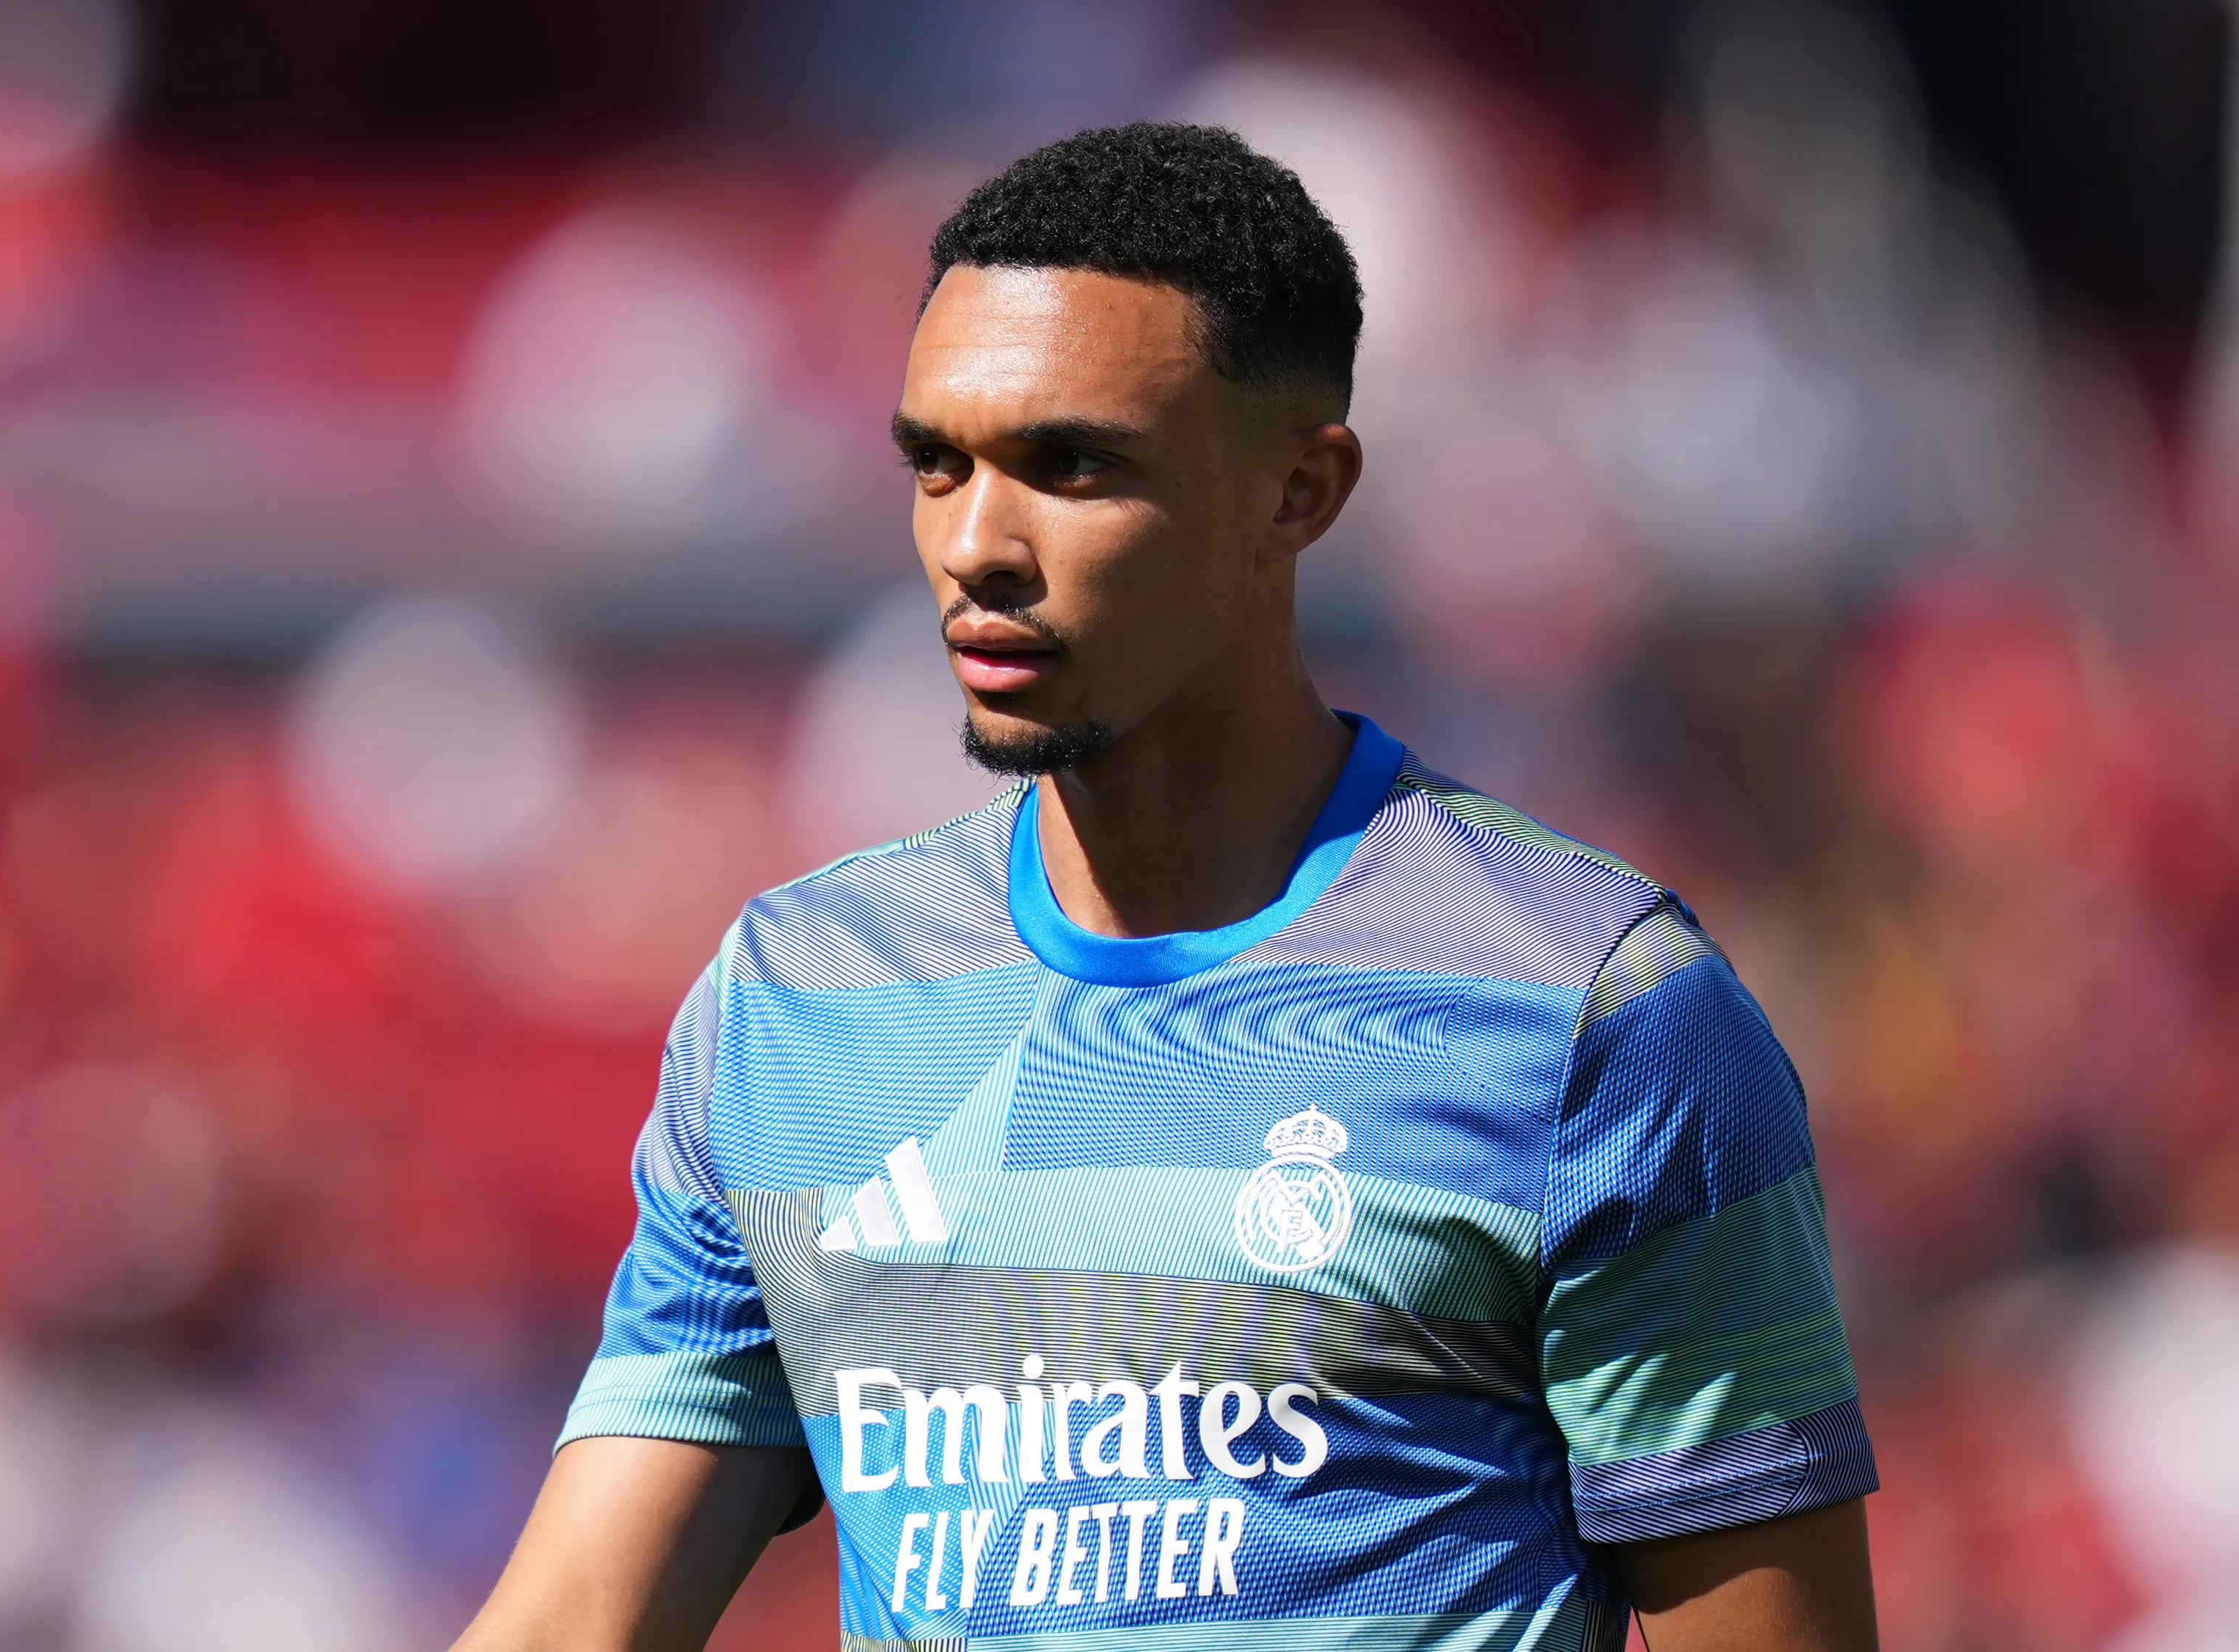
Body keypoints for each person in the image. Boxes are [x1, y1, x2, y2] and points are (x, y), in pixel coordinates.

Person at [453, 121, 1879, 1652]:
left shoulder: (1594, 1010)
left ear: (1298, 492)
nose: (976, 545)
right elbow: (572, 1622)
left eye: (1072, 466)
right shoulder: (794, 1003)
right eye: (937, 463)